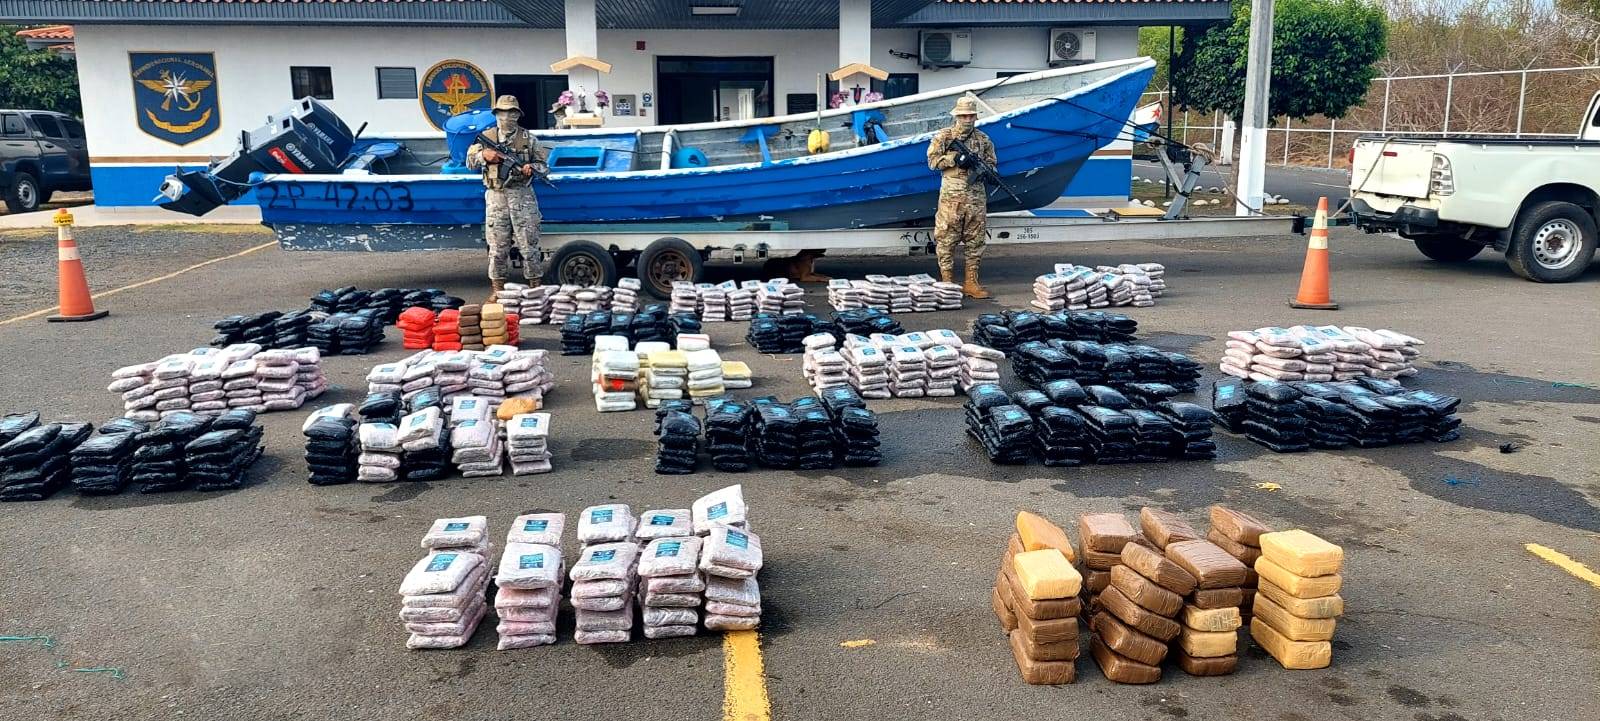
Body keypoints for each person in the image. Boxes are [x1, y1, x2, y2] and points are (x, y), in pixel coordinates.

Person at [467, 95, 550, 302]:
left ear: (518, 115)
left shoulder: (529, 139)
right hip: (496, 197)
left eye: (512, 112)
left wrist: (532, 168)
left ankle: (535, 287)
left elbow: (544, 166)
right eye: (503, 112)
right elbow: (469, 162)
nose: (507, 117)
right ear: (496, 114)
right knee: (497, 247)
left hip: (523, 196)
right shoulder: (485, 138)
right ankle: (497, 290)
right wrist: (483, 156)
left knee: (529, 245)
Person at [926, 94, 997, 299]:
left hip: (976, 199)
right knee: (946, 239)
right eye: (963, 116)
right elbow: (932, 162)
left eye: (971, 116)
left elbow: (992, 164)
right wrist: (954, 158)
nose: (967, 120)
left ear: (975, 117)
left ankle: (971, 283)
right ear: (956, 116)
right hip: (951, 199)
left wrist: (985, 171)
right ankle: (947, 282)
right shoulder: (944, 137)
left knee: (976, 241)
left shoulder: (983, 139)